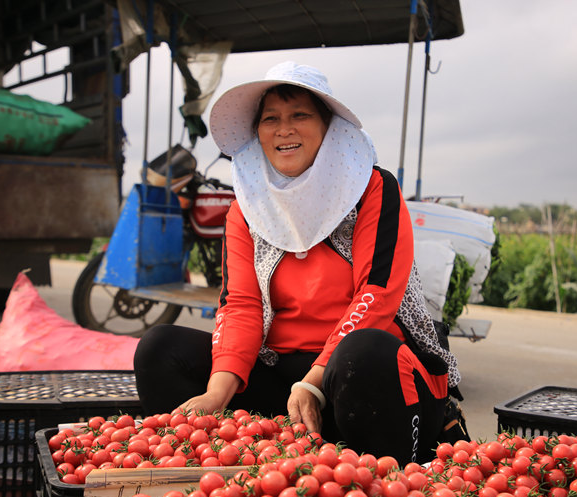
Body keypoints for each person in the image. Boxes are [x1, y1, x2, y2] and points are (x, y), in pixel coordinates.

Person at [134, 61, 467, 464]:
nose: (283, 129)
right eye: (270, 118)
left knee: (365, 353)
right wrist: (215, 394)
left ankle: (377, 487)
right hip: (283, 377)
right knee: (160, 348)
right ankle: (220, 478)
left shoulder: (373, 190)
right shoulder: (247, 209)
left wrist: (313, 383)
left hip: (363, 376)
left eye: (300, 115)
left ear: (329, 128)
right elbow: (240, 305)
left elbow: (377, 296)